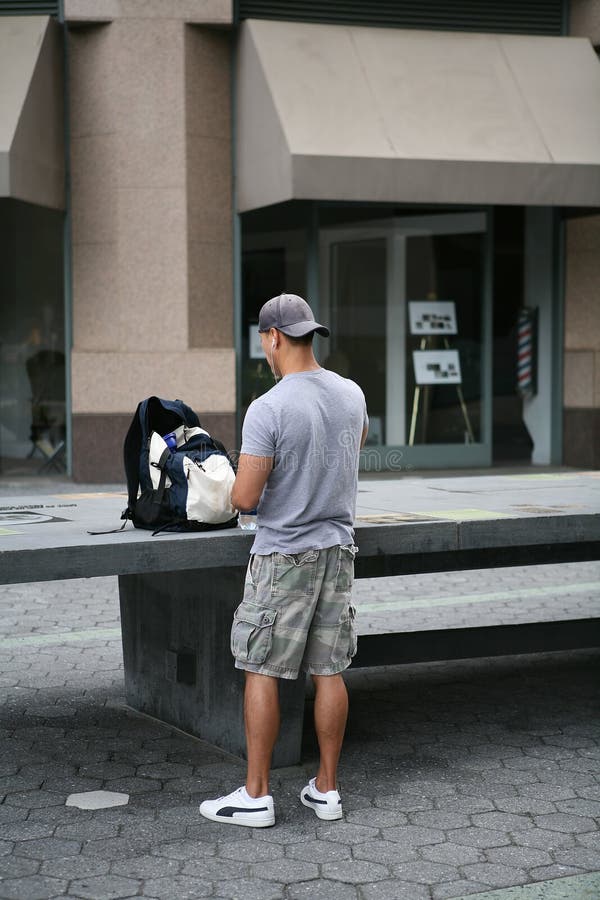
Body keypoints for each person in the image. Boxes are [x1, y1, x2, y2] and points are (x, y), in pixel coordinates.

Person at [200, 293, 368, 828]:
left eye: (263, 342)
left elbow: (245, 498)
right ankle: (326, 790)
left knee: (261, 667)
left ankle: (256, 796)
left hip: (284, 556)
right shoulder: (352, 394)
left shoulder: (268, 407)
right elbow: (354, 448)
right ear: (308, 334)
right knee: (329, 669)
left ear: (272, 337)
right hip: (338, 552)